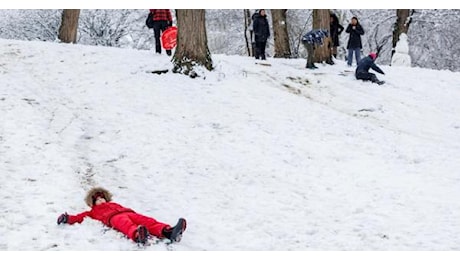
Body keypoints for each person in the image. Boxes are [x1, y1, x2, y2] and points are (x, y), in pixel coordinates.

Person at [56, 187, 187, 245]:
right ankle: (138, 235)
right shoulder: (92, 212)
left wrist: (129, 211)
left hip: (129, 213)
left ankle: (168, 231)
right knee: (126, 225)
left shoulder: (114, 204)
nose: (101, 201)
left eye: (102, 198)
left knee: (148, 220)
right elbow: (79, 217)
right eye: (98, 200)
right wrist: (67, 218)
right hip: (114, 218)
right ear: (93, 203)